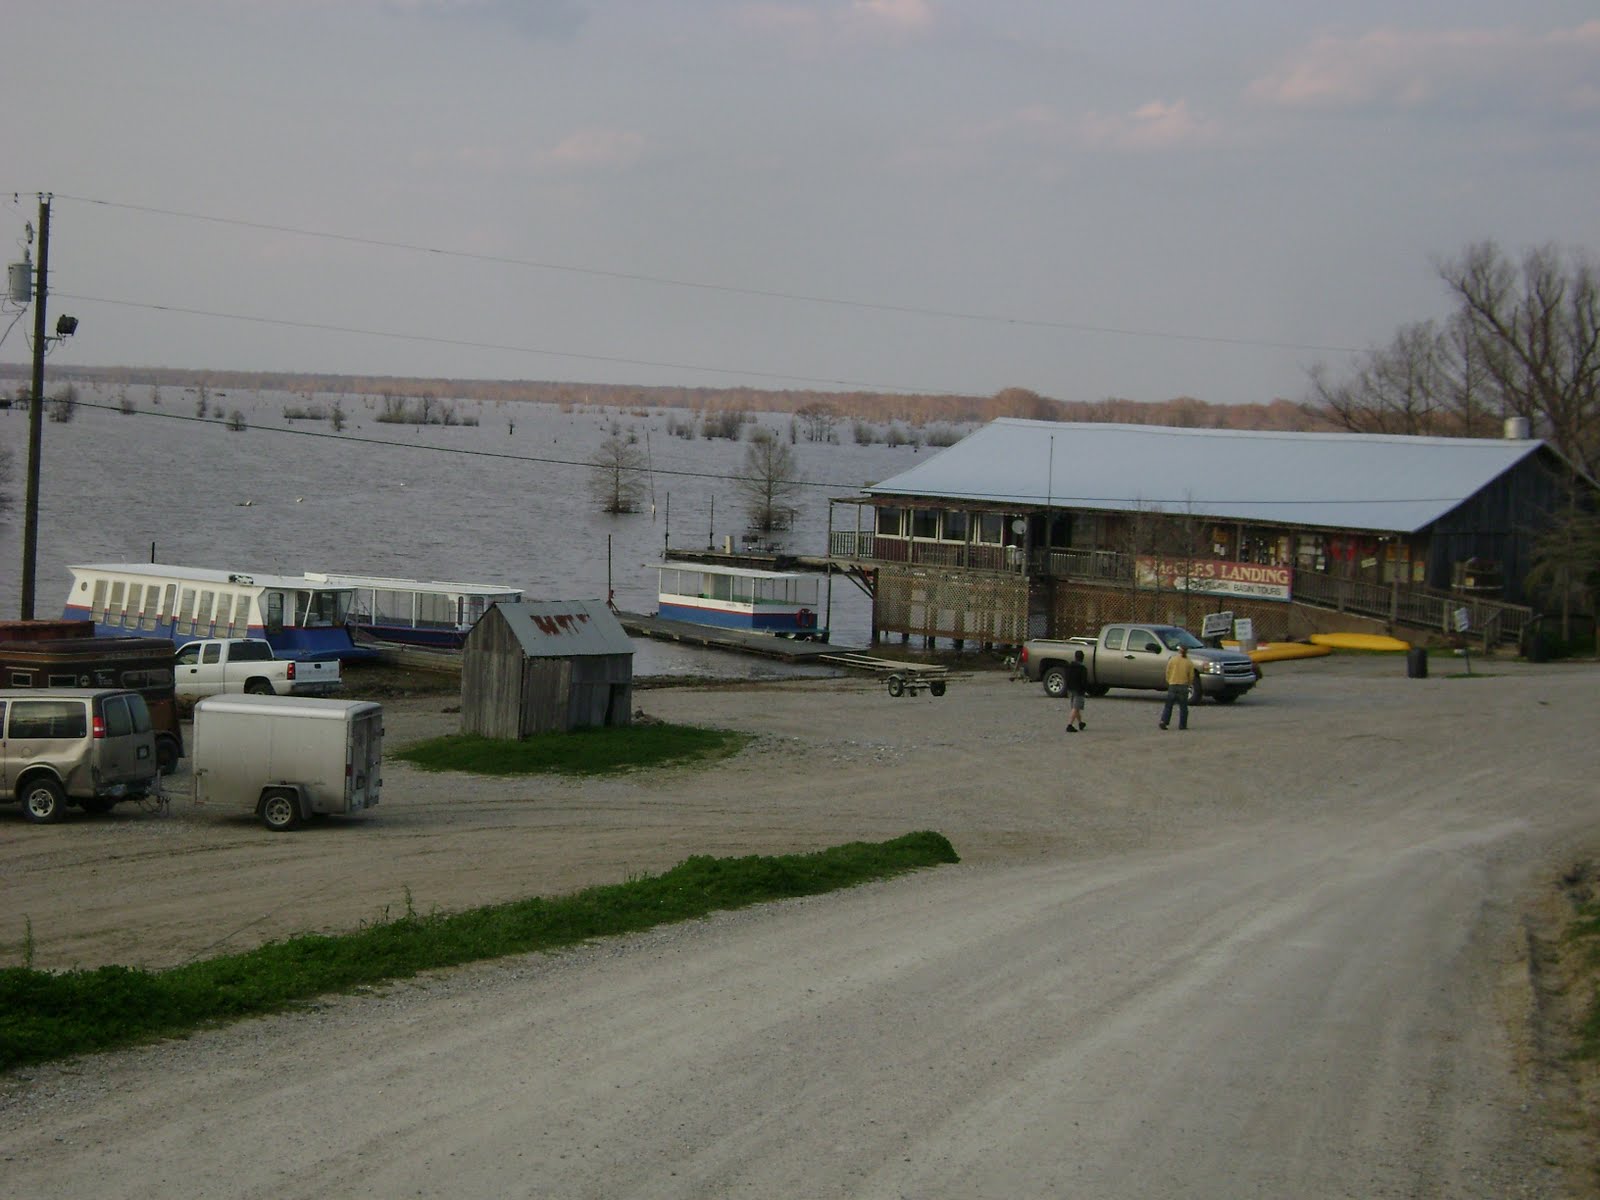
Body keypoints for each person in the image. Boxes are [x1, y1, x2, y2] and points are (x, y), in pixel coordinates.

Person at [1160, 644, 1196, 730]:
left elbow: (1167, 672)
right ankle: (1182, 725)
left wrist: (1170, 681)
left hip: (1173, 684)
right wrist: (1188, 683)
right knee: (1183, 707)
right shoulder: (1189, 662)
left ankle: (1164, 721)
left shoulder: (1173, 659)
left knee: (1168, 706)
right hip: (1183, 686)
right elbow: (1191, 676)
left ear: (1179, 651)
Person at [1064, 648, 1089, 732]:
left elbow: (1066, 678)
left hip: (1071, 688)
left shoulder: (1069, 667)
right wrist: (1085, 690)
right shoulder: (1083, 669)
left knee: (1075, 707)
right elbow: (1084, 681)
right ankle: (1069, 725)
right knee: (1076, 707)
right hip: (1079, 690)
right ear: (1083, 658)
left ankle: (1080, 723)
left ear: (1075, 657)